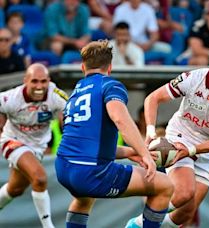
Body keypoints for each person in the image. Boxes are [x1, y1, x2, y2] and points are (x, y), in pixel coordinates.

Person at [125, 41, 209, 227]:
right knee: (184, 193)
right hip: (180, 136)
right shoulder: (193, 78)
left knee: (186, 213)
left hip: (208, 148)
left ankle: (140, 223)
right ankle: (142, 222)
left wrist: (191, 150)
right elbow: (153, 98)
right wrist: (150, 131)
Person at [55, 40, 174, 228]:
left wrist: (130, 152)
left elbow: (92, 144)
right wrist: (144, 153)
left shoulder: (77, 92)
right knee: (165, 186)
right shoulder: (111, 85)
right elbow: (120, 119)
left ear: (82, 67)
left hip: (63, 168)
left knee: (84, 199)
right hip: (90, 172)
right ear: (110, 67)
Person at [0, 63, 67, 228]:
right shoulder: (11, 98)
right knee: (40, 178)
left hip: (38, 147)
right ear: (26, 81)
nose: (39, 86)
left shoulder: (56, 95)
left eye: (43, 81)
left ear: (49, 81)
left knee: (15, 189)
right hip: (13, 141)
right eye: (34, 81)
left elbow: (71, 112)